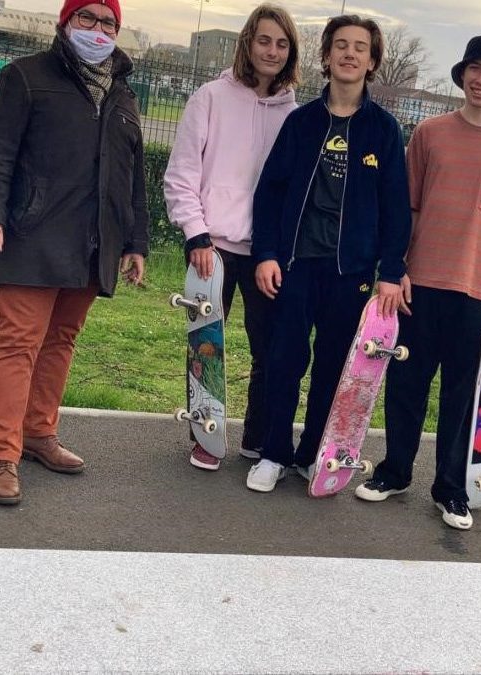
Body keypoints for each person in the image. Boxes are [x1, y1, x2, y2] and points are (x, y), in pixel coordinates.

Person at [354, 34, 481, 529]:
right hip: (422, 283)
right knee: (406, 383)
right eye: (474, 68)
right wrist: (397, 269)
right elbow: (408, 209)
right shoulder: (430, 134)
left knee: (464, 394)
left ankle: (451, 489)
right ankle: (395, 471)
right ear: (462, 73)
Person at [0, 0, 149, 505]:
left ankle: (38, 432)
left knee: (61, 340)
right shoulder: (24, 77)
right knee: (18, 342)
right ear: (65, 23)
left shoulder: (123, 95)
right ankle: (2, 454)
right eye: (87, 18)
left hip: (93, 244)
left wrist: (135, 243)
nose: (97, 29)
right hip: (32, 234)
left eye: (108, 22)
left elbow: (132, 178)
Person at [246, 14, 411, 493]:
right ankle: (274, 453)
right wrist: (267, 254)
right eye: (341, 45)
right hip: (296, 267)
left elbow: (396, 209)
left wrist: (389, 271)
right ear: (326, 55)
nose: (349, 54)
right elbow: (270, 193)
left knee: (334, 368)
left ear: (372, 61)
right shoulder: (301, 123)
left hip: (352, 274)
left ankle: (312, 453)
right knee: (284, 361)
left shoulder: (383, 130)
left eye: (360, 47)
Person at [164, 4, 299, 472]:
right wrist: (197, 237)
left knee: (269, 350)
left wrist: (278, 249)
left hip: (265, 255)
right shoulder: (211, 97)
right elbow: (181, 173)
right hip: (212, 249)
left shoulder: (293, 112)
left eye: (282, 44)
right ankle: (205, 435)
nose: (272, 51)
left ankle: (256, 439)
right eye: (265, 40)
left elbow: (289, 191)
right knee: (207, 348)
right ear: (247, 42)